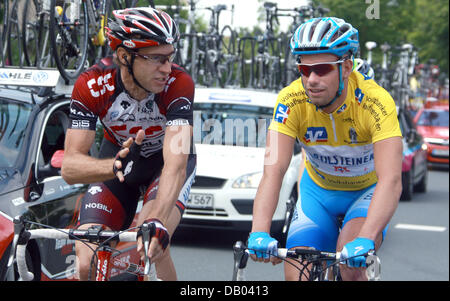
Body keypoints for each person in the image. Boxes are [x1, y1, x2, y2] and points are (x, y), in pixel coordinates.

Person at [247, 17, 403, 281]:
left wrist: (366, 237)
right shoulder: (290, 100)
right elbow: (273, 171)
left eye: (321, 69)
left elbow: (391, 179)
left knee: (350, 266)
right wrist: (259, 231)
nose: (312, 80)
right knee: (297, 273)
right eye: (305, 70)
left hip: (365, 194)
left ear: (346, 67)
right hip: (317, 195)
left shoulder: (375, 102)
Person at [61, 7, 196, 281]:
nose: (167, 69)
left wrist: (158, 220)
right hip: (119, 162)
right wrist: (112, 167)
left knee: (151, 242)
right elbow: (70, 167)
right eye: (157, 59)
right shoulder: (91, 85)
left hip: (165, 165)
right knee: (86, 259)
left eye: (170, 58)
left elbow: (176, 164)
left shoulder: (179, 84)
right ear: (124, 56)